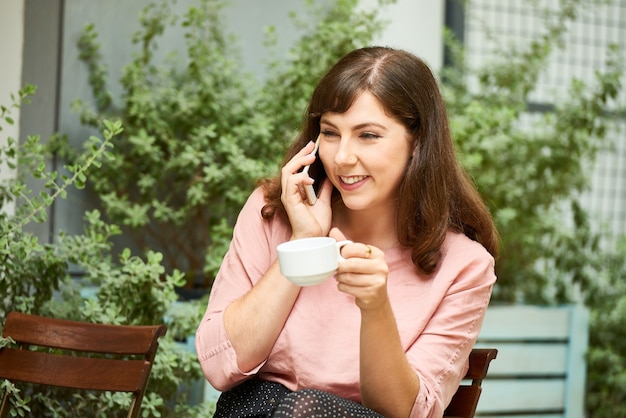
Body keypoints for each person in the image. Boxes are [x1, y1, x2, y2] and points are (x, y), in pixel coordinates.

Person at [195, 46, 498, 418]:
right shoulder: (273, 213)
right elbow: (220, 364)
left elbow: (405, 410)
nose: (342, 157)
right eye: (330, 133)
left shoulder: (464, 266)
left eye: (368, 135)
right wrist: (303, 242)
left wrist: (375, 306)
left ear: (417, 142)